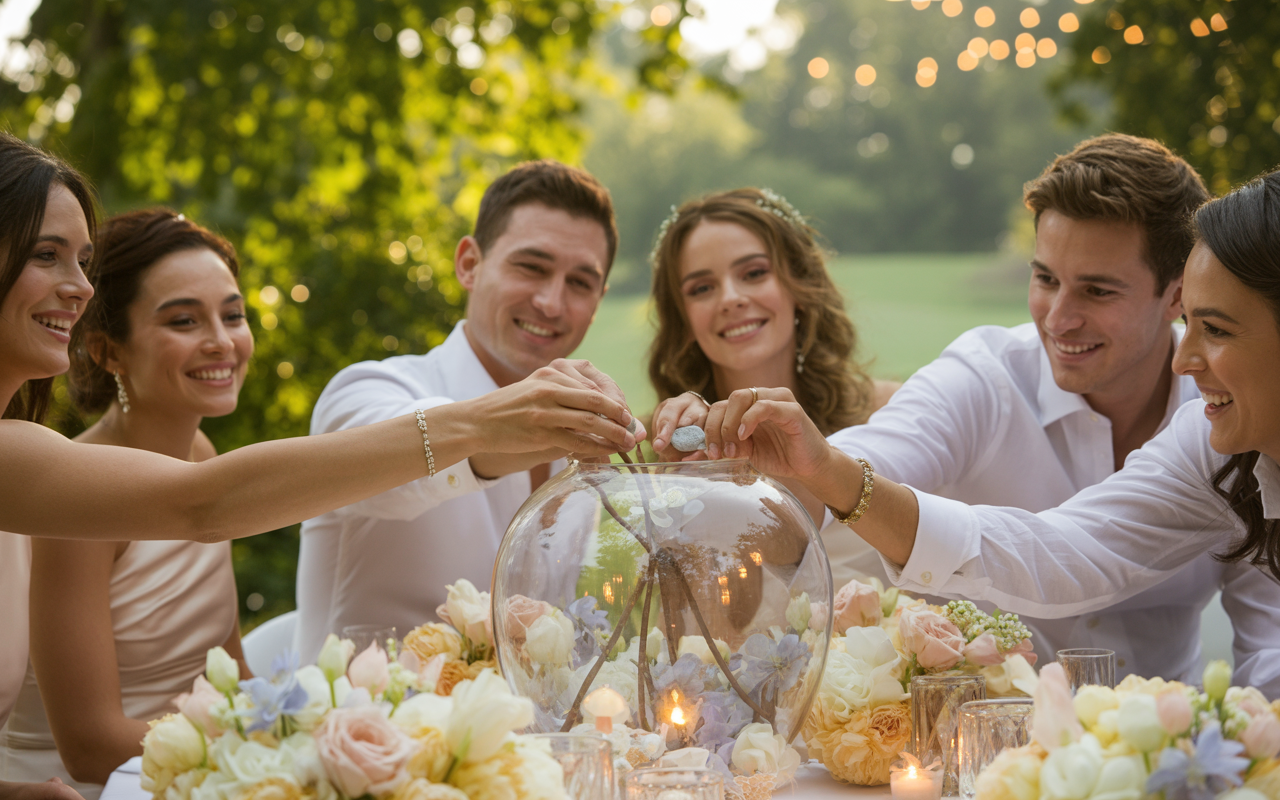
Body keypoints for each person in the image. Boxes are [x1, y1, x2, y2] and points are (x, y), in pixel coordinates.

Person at [0, 136, 638, 796]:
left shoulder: (74, 449)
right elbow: (202, 506)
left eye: (81, 261)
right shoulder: (371, 390)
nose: (79, 286)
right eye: (47, 255)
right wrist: (306, 736)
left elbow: (227, 660)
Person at [704, 168, 1280, 697]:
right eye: (1045, 278)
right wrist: (814, 472)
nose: (1058, 318)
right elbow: (1068, 554)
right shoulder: (1203, 439)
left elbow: (1269, 646)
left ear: (1172, 293)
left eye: (1098, 291)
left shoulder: (1226, 416)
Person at [294, 160, 624, 659]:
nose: (552, 302)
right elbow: (401, 472)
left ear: (598, 300)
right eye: (531, 267)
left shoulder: (578, 445)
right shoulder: (366, 390)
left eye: (580, 283)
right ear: (469, 263)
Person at [1, 211, 254, 797]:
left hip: (210, 767)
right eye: (185, 320)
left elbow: (232, 671)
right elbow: (90, 744)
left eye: (233, 315)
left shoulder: (202, 451)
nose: (221, 340)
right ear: (108, 351)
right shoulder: (75, 499)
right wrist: (268, 748)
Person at [645, 188, 898, 525]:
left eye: (753, 273)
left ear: (799, 285)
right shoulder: (658, 447)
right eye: (702, 288)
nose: (731, 299)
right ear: (683, 318)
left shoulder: (887, 411)